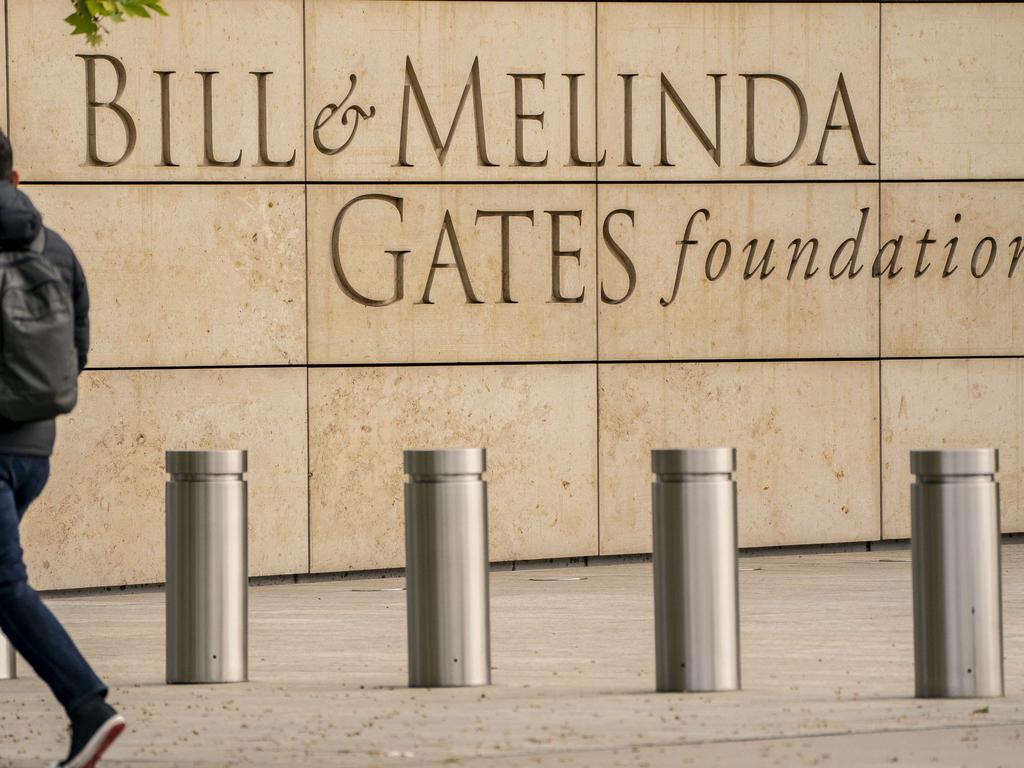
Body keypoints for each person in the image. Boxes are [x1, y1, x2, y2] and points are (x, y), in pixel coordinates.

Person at [0, 131, 125, 767]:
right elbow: (76, 355)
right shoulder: (59, 249)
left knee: (4, 583)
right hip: (33, 452)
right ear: (14, 178)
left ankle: (86, 705)